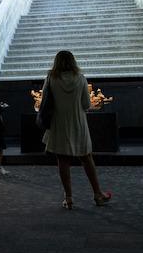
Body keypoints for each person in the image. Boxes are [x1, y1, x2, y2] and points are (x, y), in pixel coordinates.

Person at [42, 51, 112, 209]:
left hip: (59, 124)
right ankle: (97, 194)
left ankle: (69, 197)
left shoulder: (51, 78)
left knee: (63, 160)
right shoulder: (80, 78)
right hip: (78, 123)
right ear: (73, 62)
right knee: (87, 158)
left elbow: (46, 102)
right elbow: (86, 104)